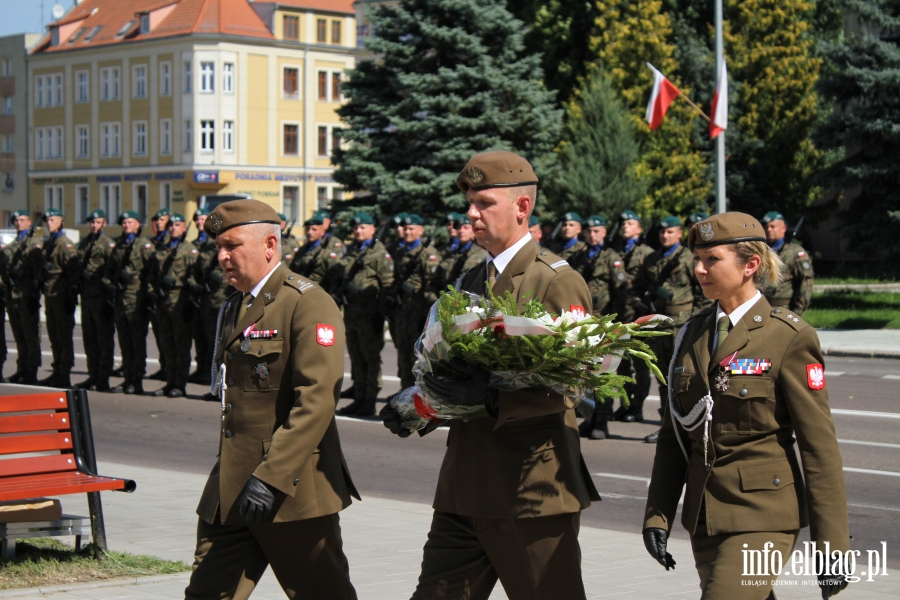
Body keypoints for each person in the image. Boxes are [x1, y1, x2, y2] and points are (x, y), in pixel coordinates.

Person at [381, 151, 600, 600]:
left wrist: (492, 399)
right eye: (469, 203)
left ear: (522, 208)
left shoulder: (556, 281)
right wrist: (424, 404)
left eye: (484, 203)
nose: (471, 213)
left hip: (530, 491)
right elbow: (450, 369)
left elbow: (576, 386)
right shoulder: (467, 283)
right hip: (464, 489)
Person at [642, 211, 850, 600]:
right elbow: (675, 435)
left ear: (750, 264)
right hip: (704, 518)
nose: (699, 270)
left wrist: (833, 548)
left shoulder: (787, 336)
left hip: (763, 515)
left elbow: (819, 449)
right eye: (697, 260)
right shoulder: (691, 333)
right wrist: (659, 513)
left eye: (711, 260)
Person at [186, 199, 359, 600]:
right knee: (207, 593)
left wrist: (271, 478)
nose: (222, 257)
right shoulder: (236, 304)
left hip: (287, 487)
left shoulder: (306, 301)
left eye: (232, 246)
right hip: (231, 484)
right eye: (218, 248)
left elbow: (316, 400)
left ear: (269, 245)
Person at [632, 215, 710, 443]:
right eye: (662, 232)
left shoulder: (689, 258)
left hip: (682, 324)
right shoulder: (652, 258)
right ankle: (667, 426)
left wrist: (696, 319)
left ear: (679, 234)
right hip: (658, 324)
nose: (665, 236)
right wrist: (639, 301)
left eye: (670, 232)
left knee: (683, 377)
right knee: (663, 377)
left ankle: (691, 424)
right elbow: (638, 285)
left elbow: (703, 292)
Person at [571, 215, 628, 440]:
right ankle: (589, 418)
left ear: (604, 233)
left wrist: (615, 323)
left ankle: (601, 423)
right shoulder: (581, 256)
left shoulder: (612, 257)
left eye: (597, 231)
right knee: (585, 375)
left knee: (603, 374)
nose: (592, 235)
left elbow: (621, 292)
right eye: (589, 231)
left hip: (605, 322)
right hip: (584, 323)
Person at [334, 213, 394, 416]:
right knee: (356, 357)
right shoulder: (354, 251)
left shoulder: (379, 253)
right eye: (356, 228)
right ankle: (359, 398)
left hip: (370, 315)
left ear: (372, 229)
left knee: (370, 358)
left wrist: (381, 312)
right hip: (352, 313)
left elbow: (387, 284)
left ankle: (369, 400)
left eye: (363, 227)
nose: (358, 230)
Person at [387, 214, 438, 389]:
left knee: (418, 359)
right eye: (405, 229)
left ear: (420, 230)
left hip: (418, 315)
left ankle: (419, 399)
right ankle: (405, 394)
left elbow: (431, 285)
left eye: (411, 229)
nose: (407, 232)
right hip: (402, 313)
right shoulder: (401, 252)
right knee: (403, 357)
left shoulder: (427, 254)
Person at [106, 211, 155, 395]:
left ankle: (137, 381)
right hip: (120, 299)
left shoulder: (144, 245)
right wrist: (110, 283)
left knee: (137, 342)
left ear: (137, 225)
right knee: (125, 342)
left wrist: (140, 283)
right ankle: (127, 378)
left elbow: (152, 271)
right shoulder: (119, 245)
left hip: (137, 300)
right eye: (124, 222)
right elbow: (110, 269)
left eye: (130, 222)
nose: (126, 225)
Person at [613, 210, 654, 423]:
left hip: (639, 316)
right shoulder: (616, 252)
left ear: (639, 228)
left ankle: (637, 407)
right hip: (620, 314)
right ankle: (624, 404)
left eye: (630, 223)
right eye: (623, 223)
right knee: (621, 363)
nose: (625, 226)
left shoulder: (648, 253)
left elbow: (651, 283)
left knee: (639, 365)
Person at [150, 214, 198, 398]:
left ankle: (180, 384)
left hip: (180, 303)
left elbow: (194, 277)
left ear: (184, 228)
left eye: (177, 225)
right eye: (170, 225)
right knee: (167, 344)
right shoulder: (162, 248)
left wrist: (189, 302)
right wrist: (152, 290)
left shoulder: (189, 250)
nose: (173, 228)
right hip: (162, 302)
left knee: (181, 346)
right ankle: (169, 382)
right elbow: (152, 274)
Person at [76, 209, 117, 391]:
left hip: (101, 298)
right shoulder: (84, 243)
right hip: (86, 297)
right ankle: (92, 375)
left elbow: (112, 270)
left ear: (104, 224)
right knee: (90, 339)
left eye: (98, 222)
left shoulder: (108, 244)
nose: (94, 225)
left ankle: (103, 377)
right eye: (92, 222)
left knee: (104, 340)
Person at [39, 208, 80, 388]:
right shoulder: (49, 243)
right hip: (51, 296)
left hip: (62, 297)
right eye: (47, 220)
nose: (49, 223)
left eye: (53, 220)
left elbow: (73, 271)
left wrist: (71, 295)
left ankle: (64, 374)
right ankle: (57, 371)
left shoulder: (65, 244)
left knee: (64, 336)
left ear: (61, 221)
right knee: (54, 336)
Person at [5, 210, 43, 384]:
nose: (18, 223)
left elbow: (37, 269)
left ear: (29, 222)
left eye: (22, 220)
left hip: (27, 295)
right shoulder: (14, 243)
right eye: (16, 221)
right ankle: (21, 368)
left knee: (30, 336)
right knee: (19, 336)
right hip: (13, 296)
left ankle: (31, 371)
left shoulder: (34, 242)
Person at [760, 211, 814, 315]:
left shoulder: (795, 253)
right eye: (766, 227)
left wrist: (797, 312)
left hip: (784, 311)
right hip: (762, 310)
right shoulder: (762, 252)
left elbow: (805, 284)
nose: (768, 229)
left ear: (783, 228)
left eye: (773, 226)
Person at [188, 209, 215, 385]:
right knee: (199, 336)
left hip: (212, 298)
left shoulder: (214, 244)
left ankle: (209, 373)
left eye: (203, 219)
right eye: (197, 219)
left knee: (211, 337)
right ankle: (201, 369)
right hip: (196, 297)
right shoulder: (193, 245)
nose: (199, 222)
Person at [146, 208, 171, 381]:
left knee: (169, 337)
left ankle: (170, 369)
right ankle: (164, 367)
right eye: (156, 220)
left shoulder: (171, 241)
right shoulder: (154, 242)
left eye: (161, 220)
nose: (158, 223)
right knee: (159, 335)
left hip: (168, 297)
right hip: (154, 294)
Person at [288, 214, 343, 284]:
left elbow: (334, 278)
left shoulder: (326, 252)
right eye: (308, 229)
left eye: (314, 229)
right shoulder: (301, 251)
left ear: (322, 232)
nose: (310, 232)